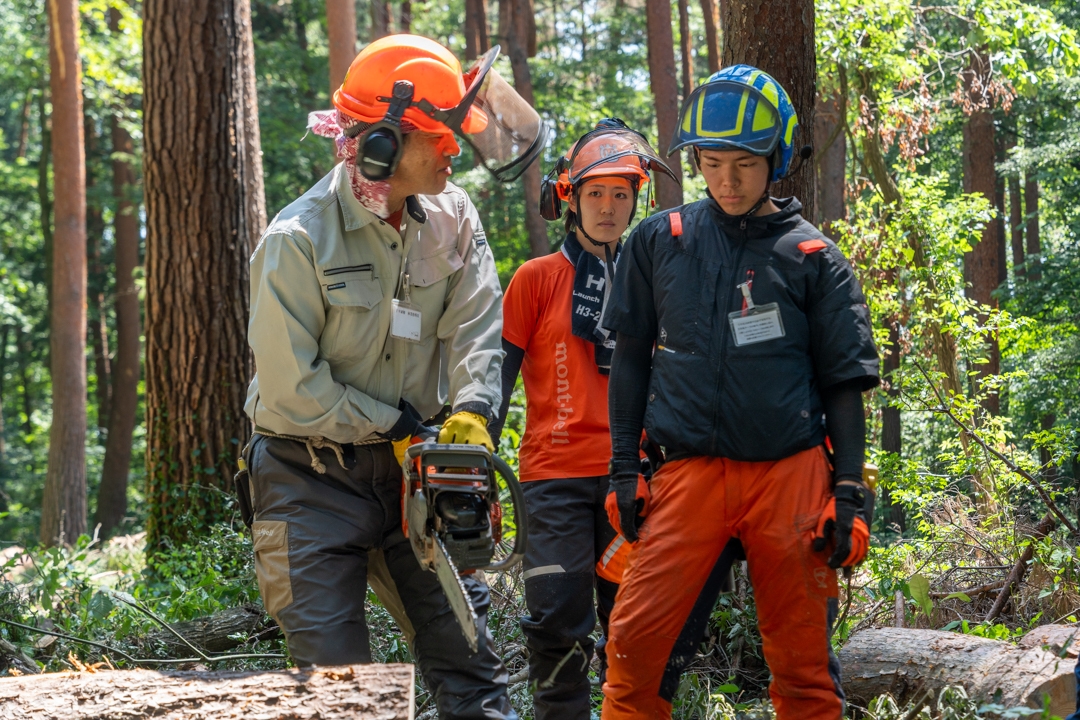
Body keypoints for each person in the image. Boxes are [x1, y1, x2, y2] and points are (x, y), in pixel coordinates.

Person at [242, 34, 522, 719]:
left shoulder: (453, 217)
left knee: (469, 660)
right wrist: (394, 423)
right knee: (340, 692)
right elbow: (290, 388)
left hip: (415, 471)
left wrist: (476, 411)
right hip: (308, 477)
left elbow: (479, 324)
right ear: (383, 146)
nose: (456, 151)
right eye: (440, 137)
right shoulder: (297, 239)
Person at [599, 65, 881, 720]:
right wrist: (622, 469)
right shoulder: (658, 242)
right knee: (634, 647)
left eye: (745, 165)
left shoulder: (814, 258)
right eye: (712, 162)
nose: (727, 181)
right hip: (687, 472)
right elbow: (631, 359)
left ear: (775, 159)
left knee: (803, 665)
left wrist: (848, 495)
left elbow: (845, 384)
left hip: (790, 473)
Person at [490, 119, 678, 720]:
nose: (608, 207)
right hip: (553, 480)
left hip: (634, 480)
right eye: (596, 193)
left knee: (636, 625)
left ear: (636, 200)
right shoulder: (535, 279)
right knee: (554, 618)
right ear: (570, 197)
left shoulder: (651, 281)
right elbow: (495, 380)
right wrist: (478, 476)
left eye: (621, 194)